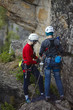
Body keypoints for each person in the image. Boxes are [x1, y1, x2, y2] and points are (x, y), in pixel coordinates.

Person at [39, 26, 64, 102]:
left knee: (47, 79)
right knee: (58, 79)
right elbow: (61, 51)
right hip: (56, 62)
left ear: (46, 33)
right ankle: (61, 95)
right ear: (52, 33)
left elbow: (40, 53)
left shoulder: (44, 42)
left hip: (48, 62)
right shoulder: (57, 41)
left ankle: (47, 96)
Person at [22, 33, 44, 103]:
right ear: (33, 41)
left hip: (30, 65)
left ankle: (42, 93)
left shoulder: (31, 46)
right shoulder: (27, 48)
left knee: (39, 77)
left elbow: (32, 55)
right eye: (35, 41)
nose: (36, 43)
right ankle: (26, 97)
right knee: (26, 82)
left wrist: (37, 58)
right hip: (27, 66)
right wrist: (37, 62)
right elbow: (29, 60)